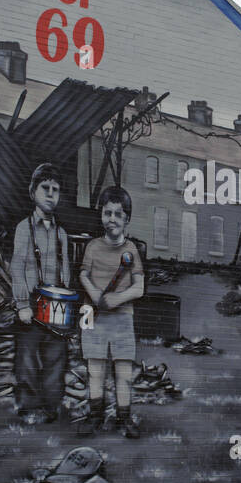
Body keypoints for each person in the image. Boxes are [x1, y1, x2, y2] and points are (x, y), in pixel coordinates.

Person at [77, 186, 145, 438]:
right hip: (92, 315)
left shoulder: (132, 251)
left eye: (118, 214)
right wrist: (95, 294)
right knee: (95, 368)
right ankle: (95, 416)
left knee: (123, 371)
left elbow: (139, 287)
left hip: (122, 317)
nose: (112, 219)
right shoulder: (93, 247)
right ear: (101, 215)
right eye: (107, 213)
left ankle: (124, 417)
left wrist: (118, 297)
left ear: (127, 218)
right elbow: (83, 274)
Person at [11, 163, 71, 424]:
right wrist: (22, 303)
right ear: (33, 192)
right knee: (27, 356)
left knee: (56, 356)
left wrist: (66, 298)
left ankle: (50, 406)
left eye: (55, 190)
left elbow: (65, 269)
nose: (50, 194)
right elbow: (17, 266)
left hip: (56, 304)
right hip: (32, 304)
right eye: (45, 188)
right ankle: (27, 406)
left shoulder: (62, 234)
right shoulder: (24, 228)